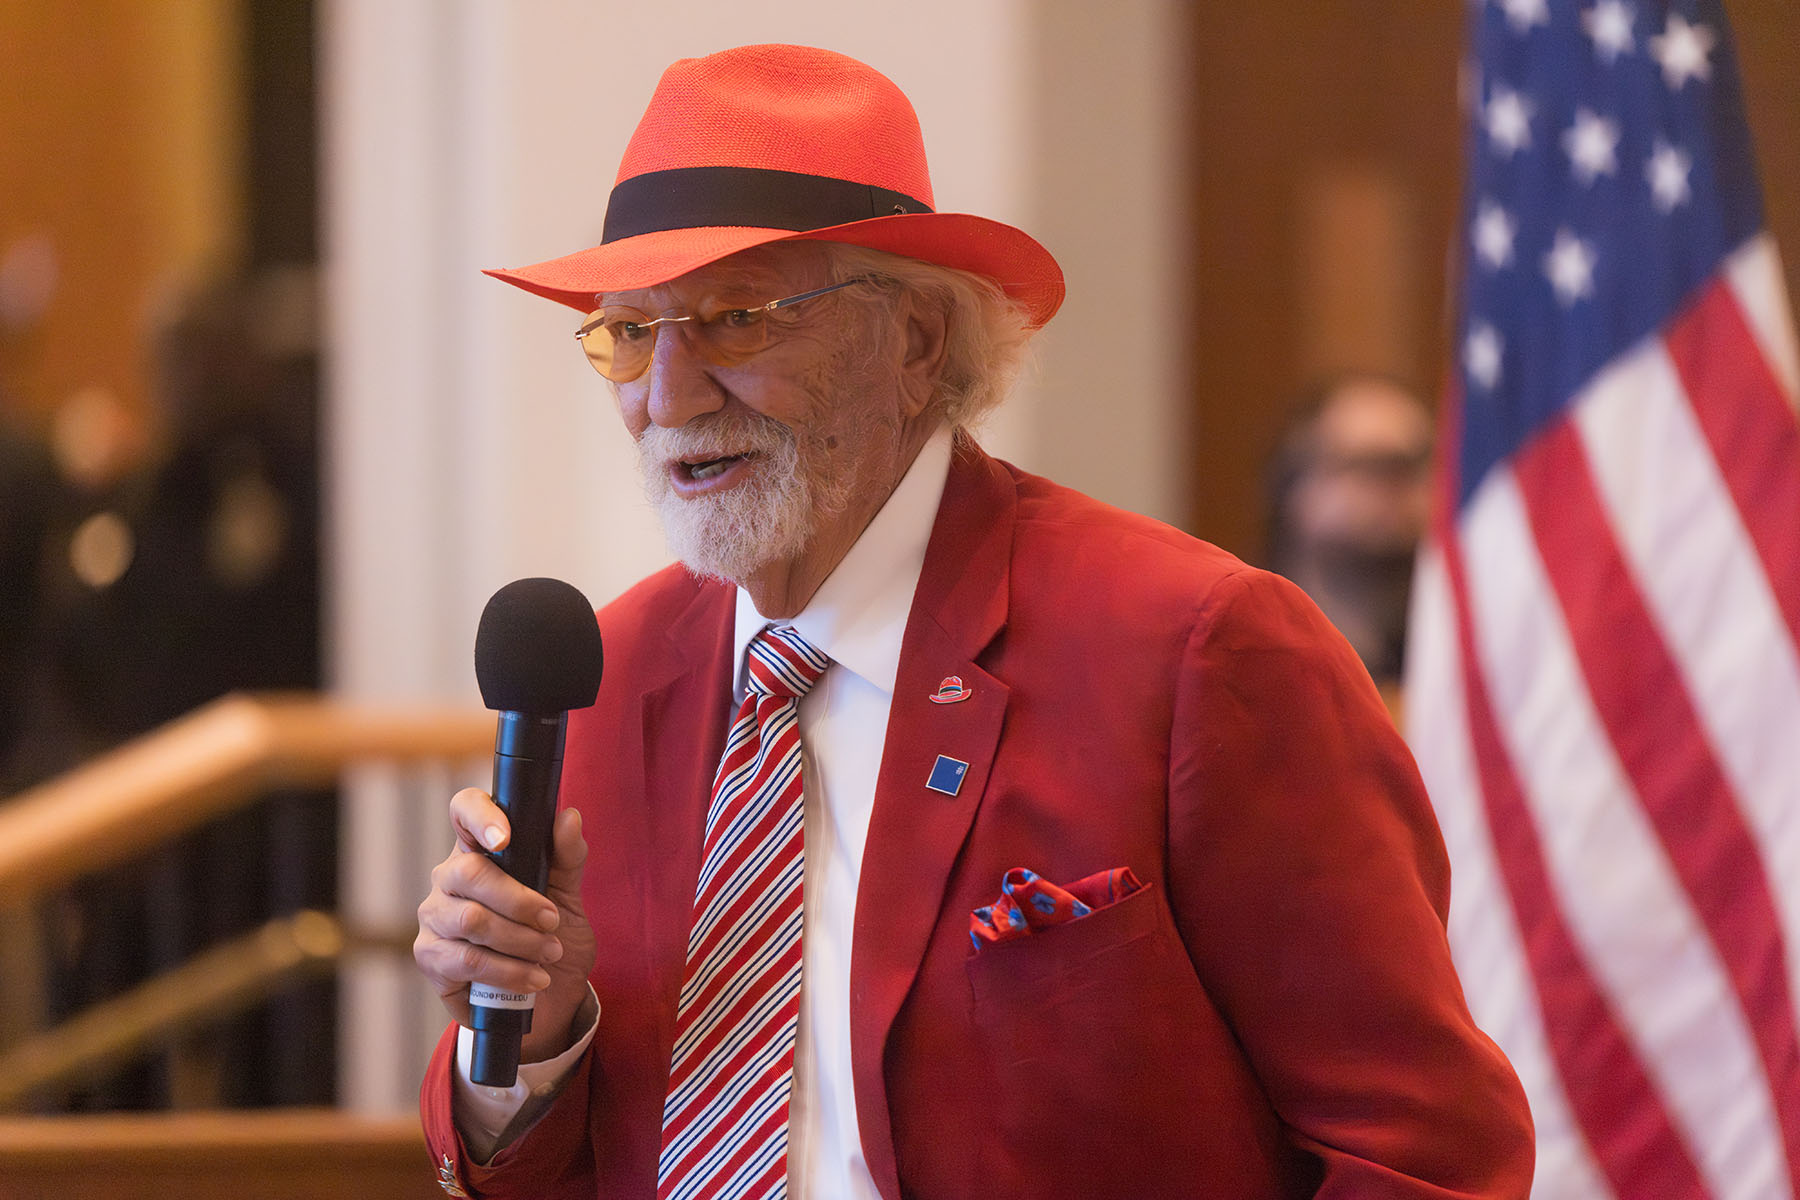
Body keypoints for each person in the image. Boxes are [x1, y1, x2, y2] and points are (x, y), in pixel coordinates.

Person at [413, 44, 1533, 1200]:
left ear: (915, 342)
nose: (667, 396)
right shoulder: (611, 675)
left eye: (736, 318)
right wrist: (532, 1038)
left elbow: (1425, 1158)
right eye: (632, 332)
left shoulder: (1195, 648)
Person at [1264, 374, 1434, 692]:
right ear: (1293, 487)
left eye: (1419, 466)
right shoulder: (1249, 654)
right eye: (1375, 466)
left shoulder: (1453, 665)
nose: (1400, 489)